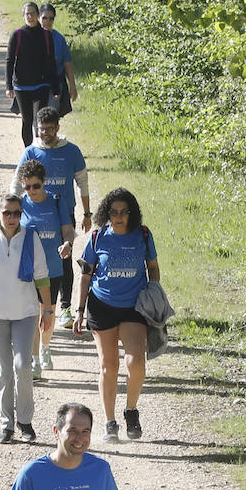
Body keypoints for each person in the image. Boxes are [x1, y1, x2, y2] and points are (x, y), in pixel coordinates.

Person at [73, 188, 158, 443]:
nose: (119, 217)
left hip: (134, 307)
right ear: (106, 213)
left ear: (131, 213)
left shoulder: (142, 235)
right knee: (108, 365)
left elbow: (152, 268)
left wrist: (154, 295)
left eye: (124, 212)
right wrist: (79, 310)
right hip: (102, 306)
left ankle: (131, 410)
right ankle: (110, 422)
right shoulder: (98, 236)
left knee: (136, 363)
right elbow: (85, 274)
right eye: (114, 212)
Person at [0, 195, 52, 443]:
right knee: (3, 368)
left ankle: (25, 421)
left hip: (25, 312)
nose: (12, 218)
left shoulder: (30, 238)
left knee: (23, 365)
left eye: (17, 213)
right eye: (7, 213)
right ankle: (6, 425)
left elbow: (42, 276)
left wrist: (47, 310)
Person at [10, 105, 90, 327]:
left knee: (63, 260)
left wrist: (87, 212)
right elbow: (18, 181)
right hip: (34, 213)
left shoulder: (71, 151)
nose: (45, 133)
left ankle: (64, 307)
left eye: (49, 129)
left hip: (62, 212)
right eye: (41, 128)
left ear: (57, 127)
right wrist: (11, 206)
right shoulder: (31, 152)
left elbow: (82, 181)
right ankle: (33, 308)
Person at [17, 159, 74, 378]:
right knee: (32, 313)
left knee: (47, 313)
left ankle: (45, 347)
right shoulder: (20, 204)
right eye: (27, 186)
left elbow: (67, 230)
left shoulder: (57, 201)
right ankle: (34, 361)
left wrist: (67, 244)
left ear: (44, 183)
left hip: (52, 267)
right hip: (29, 269)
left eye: (36, 186)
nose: (31, 191)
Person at [6, 2, 58, 146]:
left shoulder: (46, 35)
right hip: (21, 86)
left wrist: (55, 87)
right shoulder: (17, 35)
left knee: (40, 119)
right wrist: (8, 86)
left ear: (38, 15)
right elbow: (10, 61)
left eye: (33, 13)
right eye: (27, 14)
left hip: (41, 84)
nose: (30, 17)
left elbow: (51, 61)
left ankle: (41, 147)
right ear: (23, 16)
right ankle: (28, 150)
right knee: (27, 119)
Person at [38, 4, 78, 114]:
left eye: (51, 18)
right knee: (37, 118)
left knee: (51, 115)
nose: (48, 21)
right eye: (45, 18)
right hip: (36, 84)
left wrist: (72, 86)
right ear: (38, 18)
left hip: (56, 84)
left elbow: (67, 64)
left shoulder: (59, 39)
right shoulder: (31, 36)